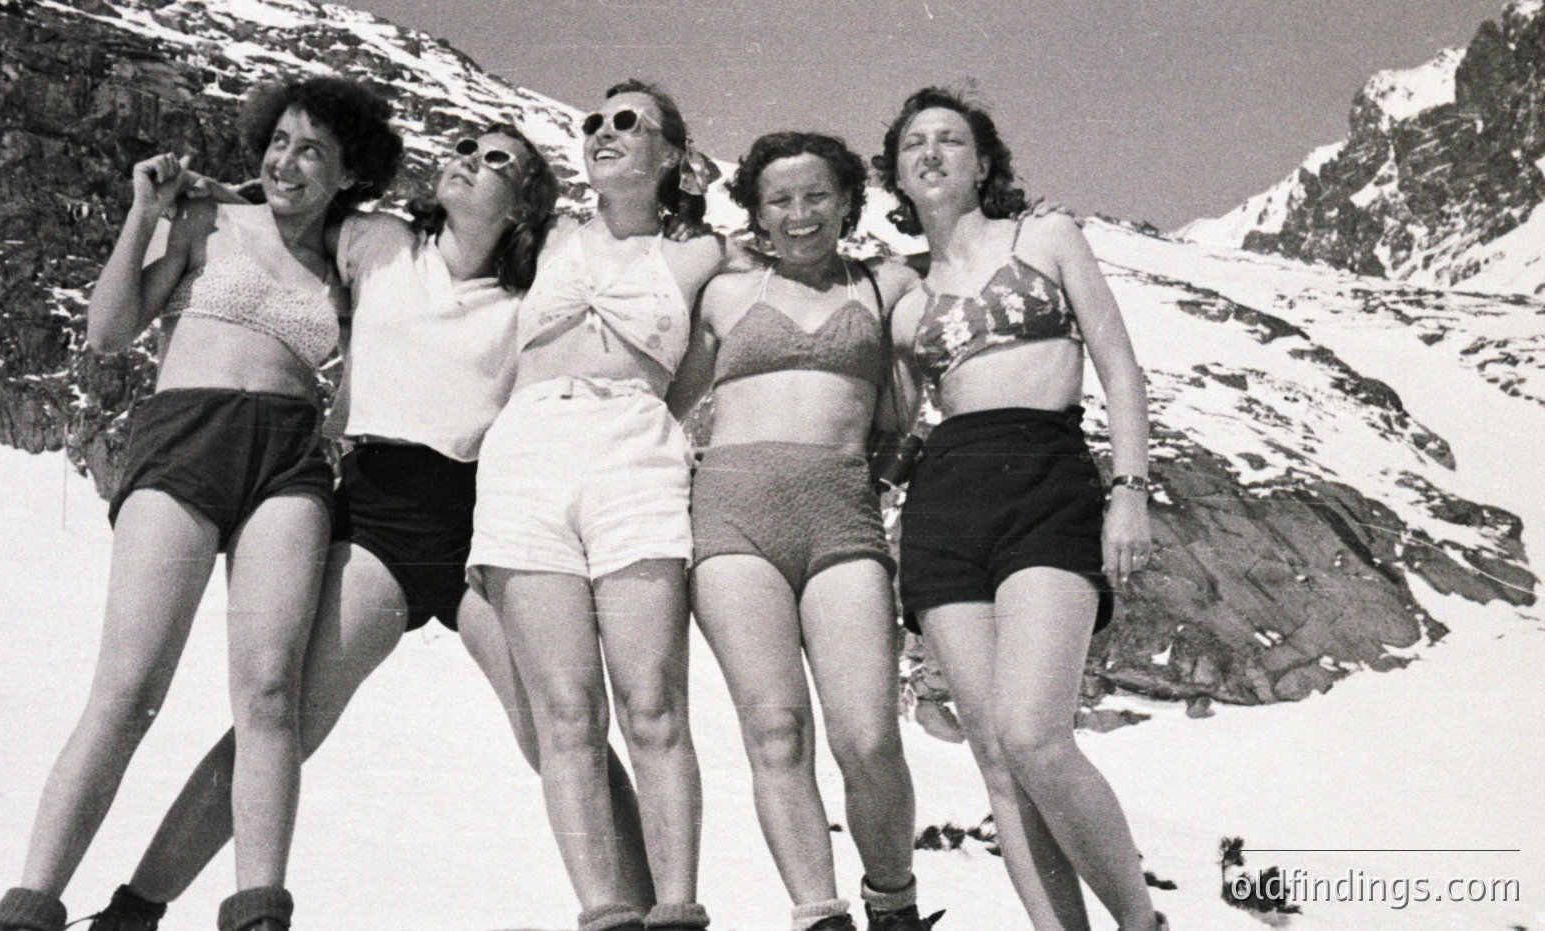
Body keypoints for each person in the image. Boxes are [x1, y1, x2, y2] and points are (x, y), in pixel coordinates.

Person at [78, 125, 655, 931]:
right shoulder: (378, 241)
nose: (469, 158)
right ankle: (134, 909)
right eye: (465, 145)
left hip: (484, 527)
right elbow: (287, 207)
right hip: (378, 517)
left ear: (525, 200)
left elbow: (624, 246)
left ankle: (640, 913)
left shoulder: (543, 276)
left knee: (566, 724)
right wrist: (203, 190)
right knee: (278, 723)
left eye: (497, 159)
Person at [0, 76, 403, 931]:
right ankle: (28, 908)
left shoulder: (350, 262)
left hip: (287, 459)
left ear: (349, 170)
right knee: (129, 688)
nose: (286, 161)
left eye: (312, 150)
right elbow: (108, 332)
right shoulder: (207, 221)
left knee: (271, 691)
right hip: (184, 436)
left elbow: (366, 372)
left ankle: (256, 912)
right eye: (279, 141)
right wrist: (144, 214)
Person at [879, 86, 1161, 931]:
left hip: (1045, 481)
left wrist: (1130, 490)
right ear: (896, 174)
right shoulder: (901, 292)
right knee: (997, 759)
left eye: (950, 139)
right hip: (945, 504)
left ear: (983, 164)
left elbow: (1119, 368)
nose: (931, 152)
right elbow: (892, 425)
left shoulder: (1045, 236)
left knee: (1034, 731)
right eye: (913, 144)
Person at [666, 131, 941, 931]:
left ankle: (893, 903)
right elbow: (663, 402)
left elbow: (954, 279)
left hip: (841, 516)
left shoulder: (885, 283)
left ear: (847, 199)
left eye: (817, 195)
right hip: (730, 516)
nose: (799, 213)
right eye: (779, 199)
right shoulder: (725, 291)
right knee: (776, 729)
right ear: (755, 211)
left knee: (868, 736)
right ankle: (819, 915)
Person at [470, 80, 726, 931]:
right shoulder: (545, 236)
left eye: (627, 121)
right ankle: (604, 913)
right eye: (592, 122)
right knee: (567, 712)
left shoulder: (704, 256)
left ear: (672, 154)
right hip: (528, 453)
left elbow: (705, 365)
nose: (602, 133)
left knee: (652, 702)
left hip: (634, 454)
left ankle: (678, 910)